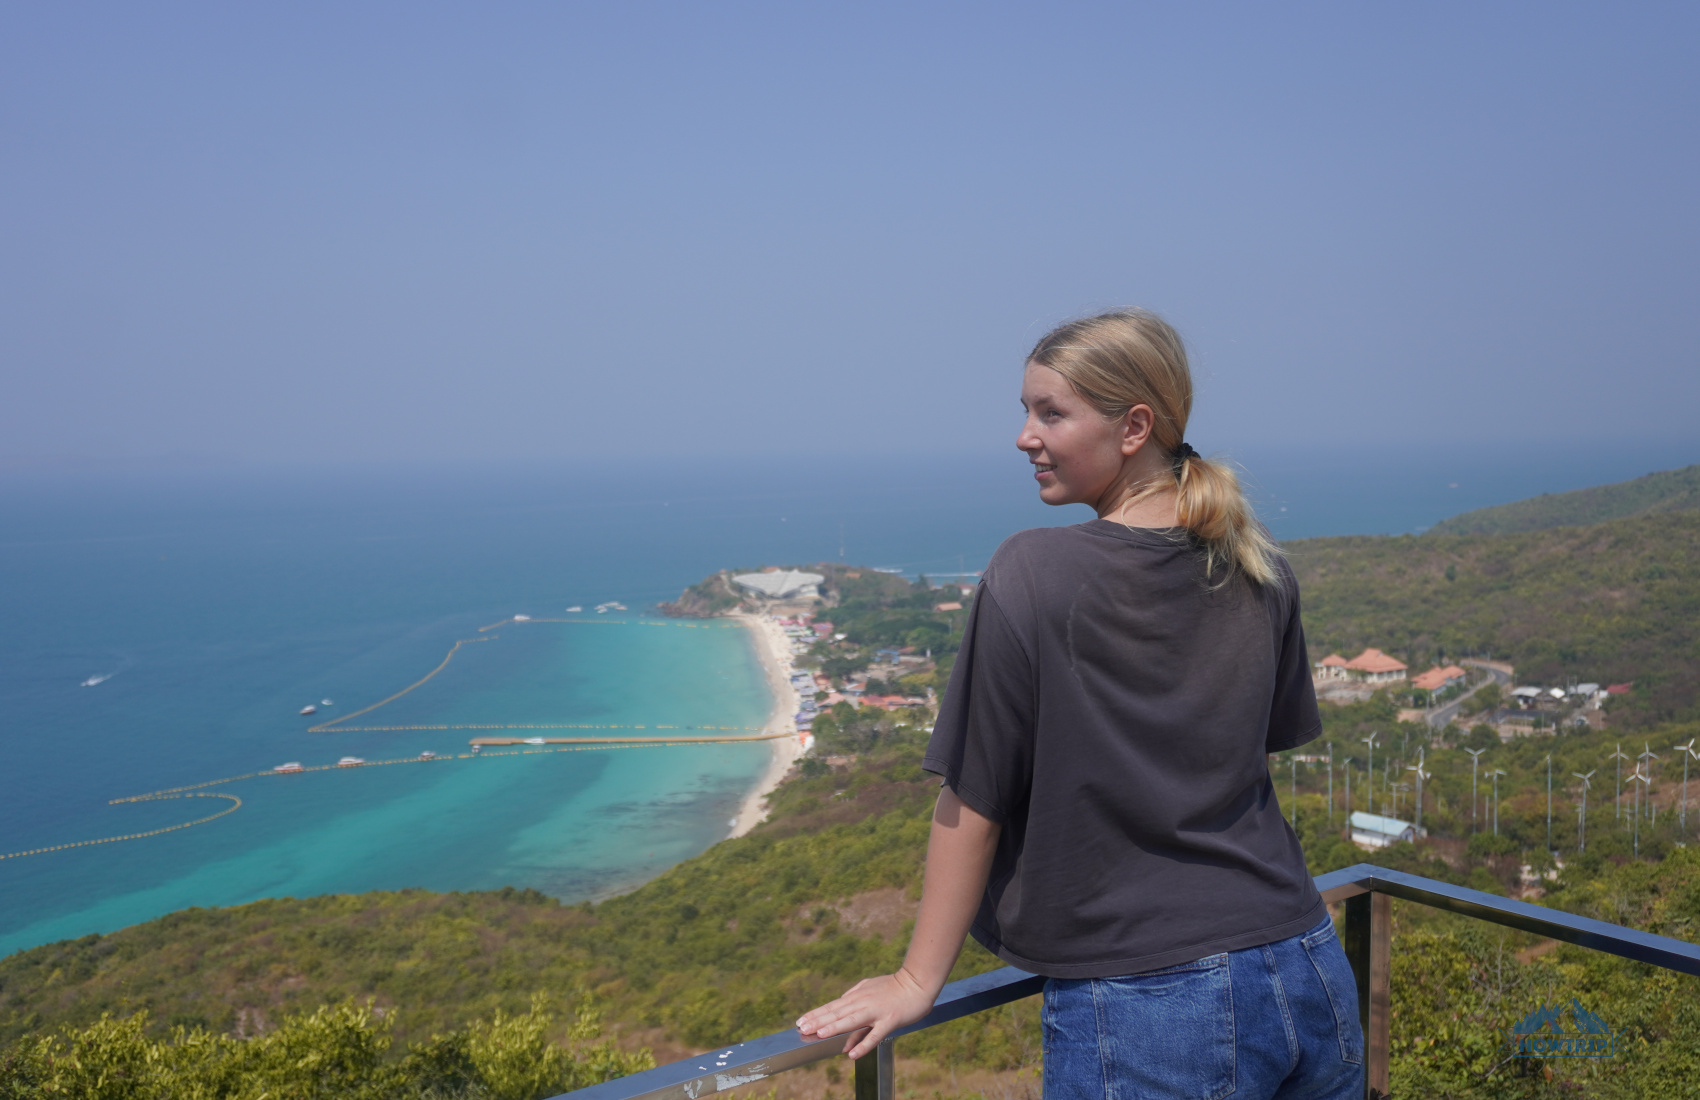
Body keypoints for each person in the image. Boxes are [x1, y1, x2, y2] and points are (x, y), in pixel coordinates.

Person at [796, 310, 1363, 1099]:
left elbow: (973, 796)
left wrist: (915, 977)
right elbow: (1239, 759)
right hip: (1305, 967)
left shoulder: (1033, 571)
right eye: (1027, 412)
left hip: (1150, 1001)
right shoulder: (1257, 565)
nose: (1025, 436)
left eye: (1050, 413)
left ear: (1134, 426)